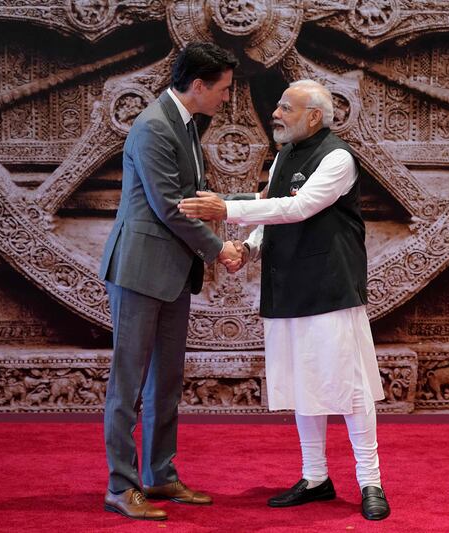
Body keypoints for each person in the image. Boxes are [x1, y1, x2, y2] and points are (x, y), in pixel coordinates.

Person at [178, 79, 391, 521]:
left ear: (314, 115)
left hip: (330, 287)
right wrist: (251, 247)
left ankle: (370, 481)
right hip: (286, 284)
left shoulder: (338, 158)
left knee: (349, 388)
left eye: (285, 107)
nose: (275, 113)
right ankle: (315, 477)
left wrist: (228, 210)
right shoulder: (282, 159)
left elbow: (299, 209)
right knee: (303, 383)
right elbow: (275, 211)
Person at [99, 42, 240, 521]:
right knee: (129, 383)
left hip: (172, 272)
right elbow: (169, 207)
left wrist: (243, 205)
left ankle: (159, 475)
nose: (226, 98)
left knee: (166, 382)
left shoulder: (182, 123)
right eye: (222, 89)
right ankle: (121, 486)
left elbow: (192, 198)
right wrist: (220, 248)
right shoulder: (155, 126)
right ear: (197, 85)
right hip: (140, 271)